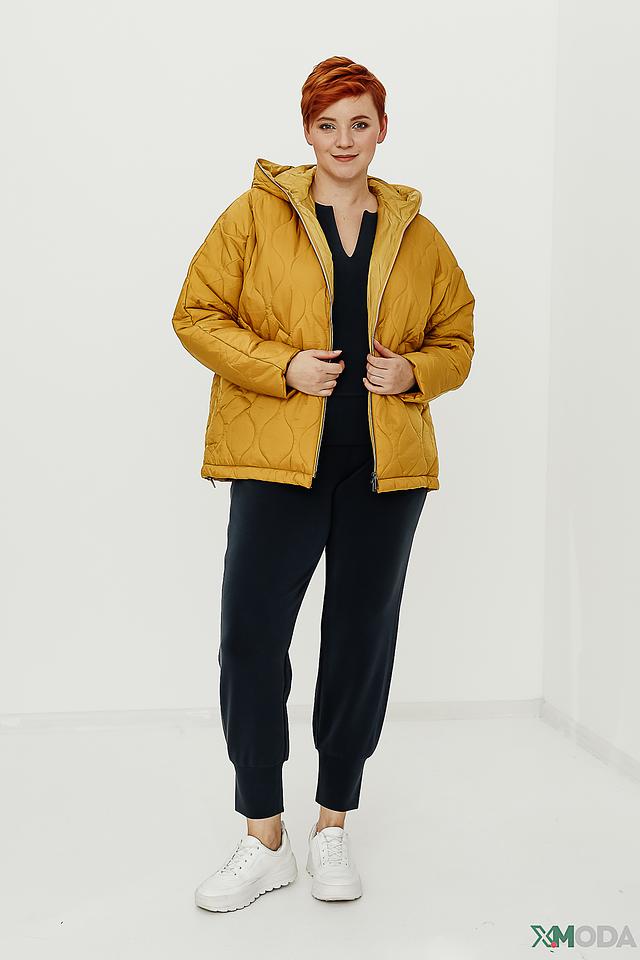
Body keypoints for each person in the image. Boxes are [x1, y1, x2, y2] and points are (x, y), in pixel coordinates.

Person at [171, 55, 475, 912]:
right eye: (329, 124)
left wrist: (414, 370)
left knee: (358, 642)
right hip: (278, 463)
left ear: (383, 130)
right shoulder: (254, 216)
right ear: (307, 131)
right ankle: (263, 835)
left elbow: (458, 336)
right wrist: (282, 366)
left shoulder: (418, 235)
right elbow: (195, 314)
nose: (345, 139)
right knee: (250, 641)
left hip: (384, 471)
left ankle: (333, 822)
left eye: (360, 123)